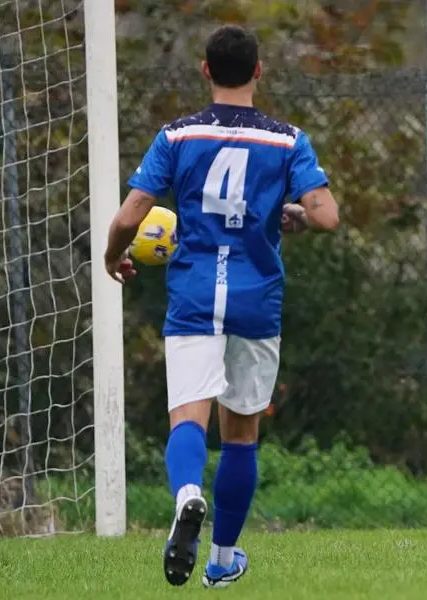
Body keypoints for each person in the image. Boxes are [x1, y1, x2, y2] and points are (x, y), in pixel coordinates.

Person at [103, 25, 339, 587]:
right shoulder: (287, 140)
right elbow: (327, 215)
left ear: (205, 71)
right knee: (240, 435)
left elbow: (131, 213)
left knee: (188, 415)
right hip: (257, 300)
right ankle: (222, 558)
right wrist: (299, 216)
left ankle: (187, 495)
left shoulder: (178, 136)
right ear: (259, 72)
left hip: (193, 294)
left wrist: (114, 254)